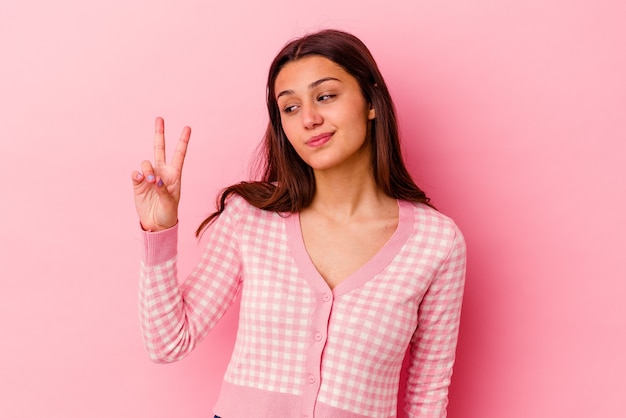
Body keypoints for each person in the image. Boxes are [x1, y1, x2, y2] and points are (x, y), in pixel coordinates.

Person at [131, 29, 466, 418]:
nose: (309, 118)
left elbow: (427, 396)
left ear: (371, 101)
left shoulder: (436, 243)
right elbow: (167, 342)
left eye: (326, 96)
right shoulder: (252, 218)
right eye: (289, 108)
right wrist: (158, 232)